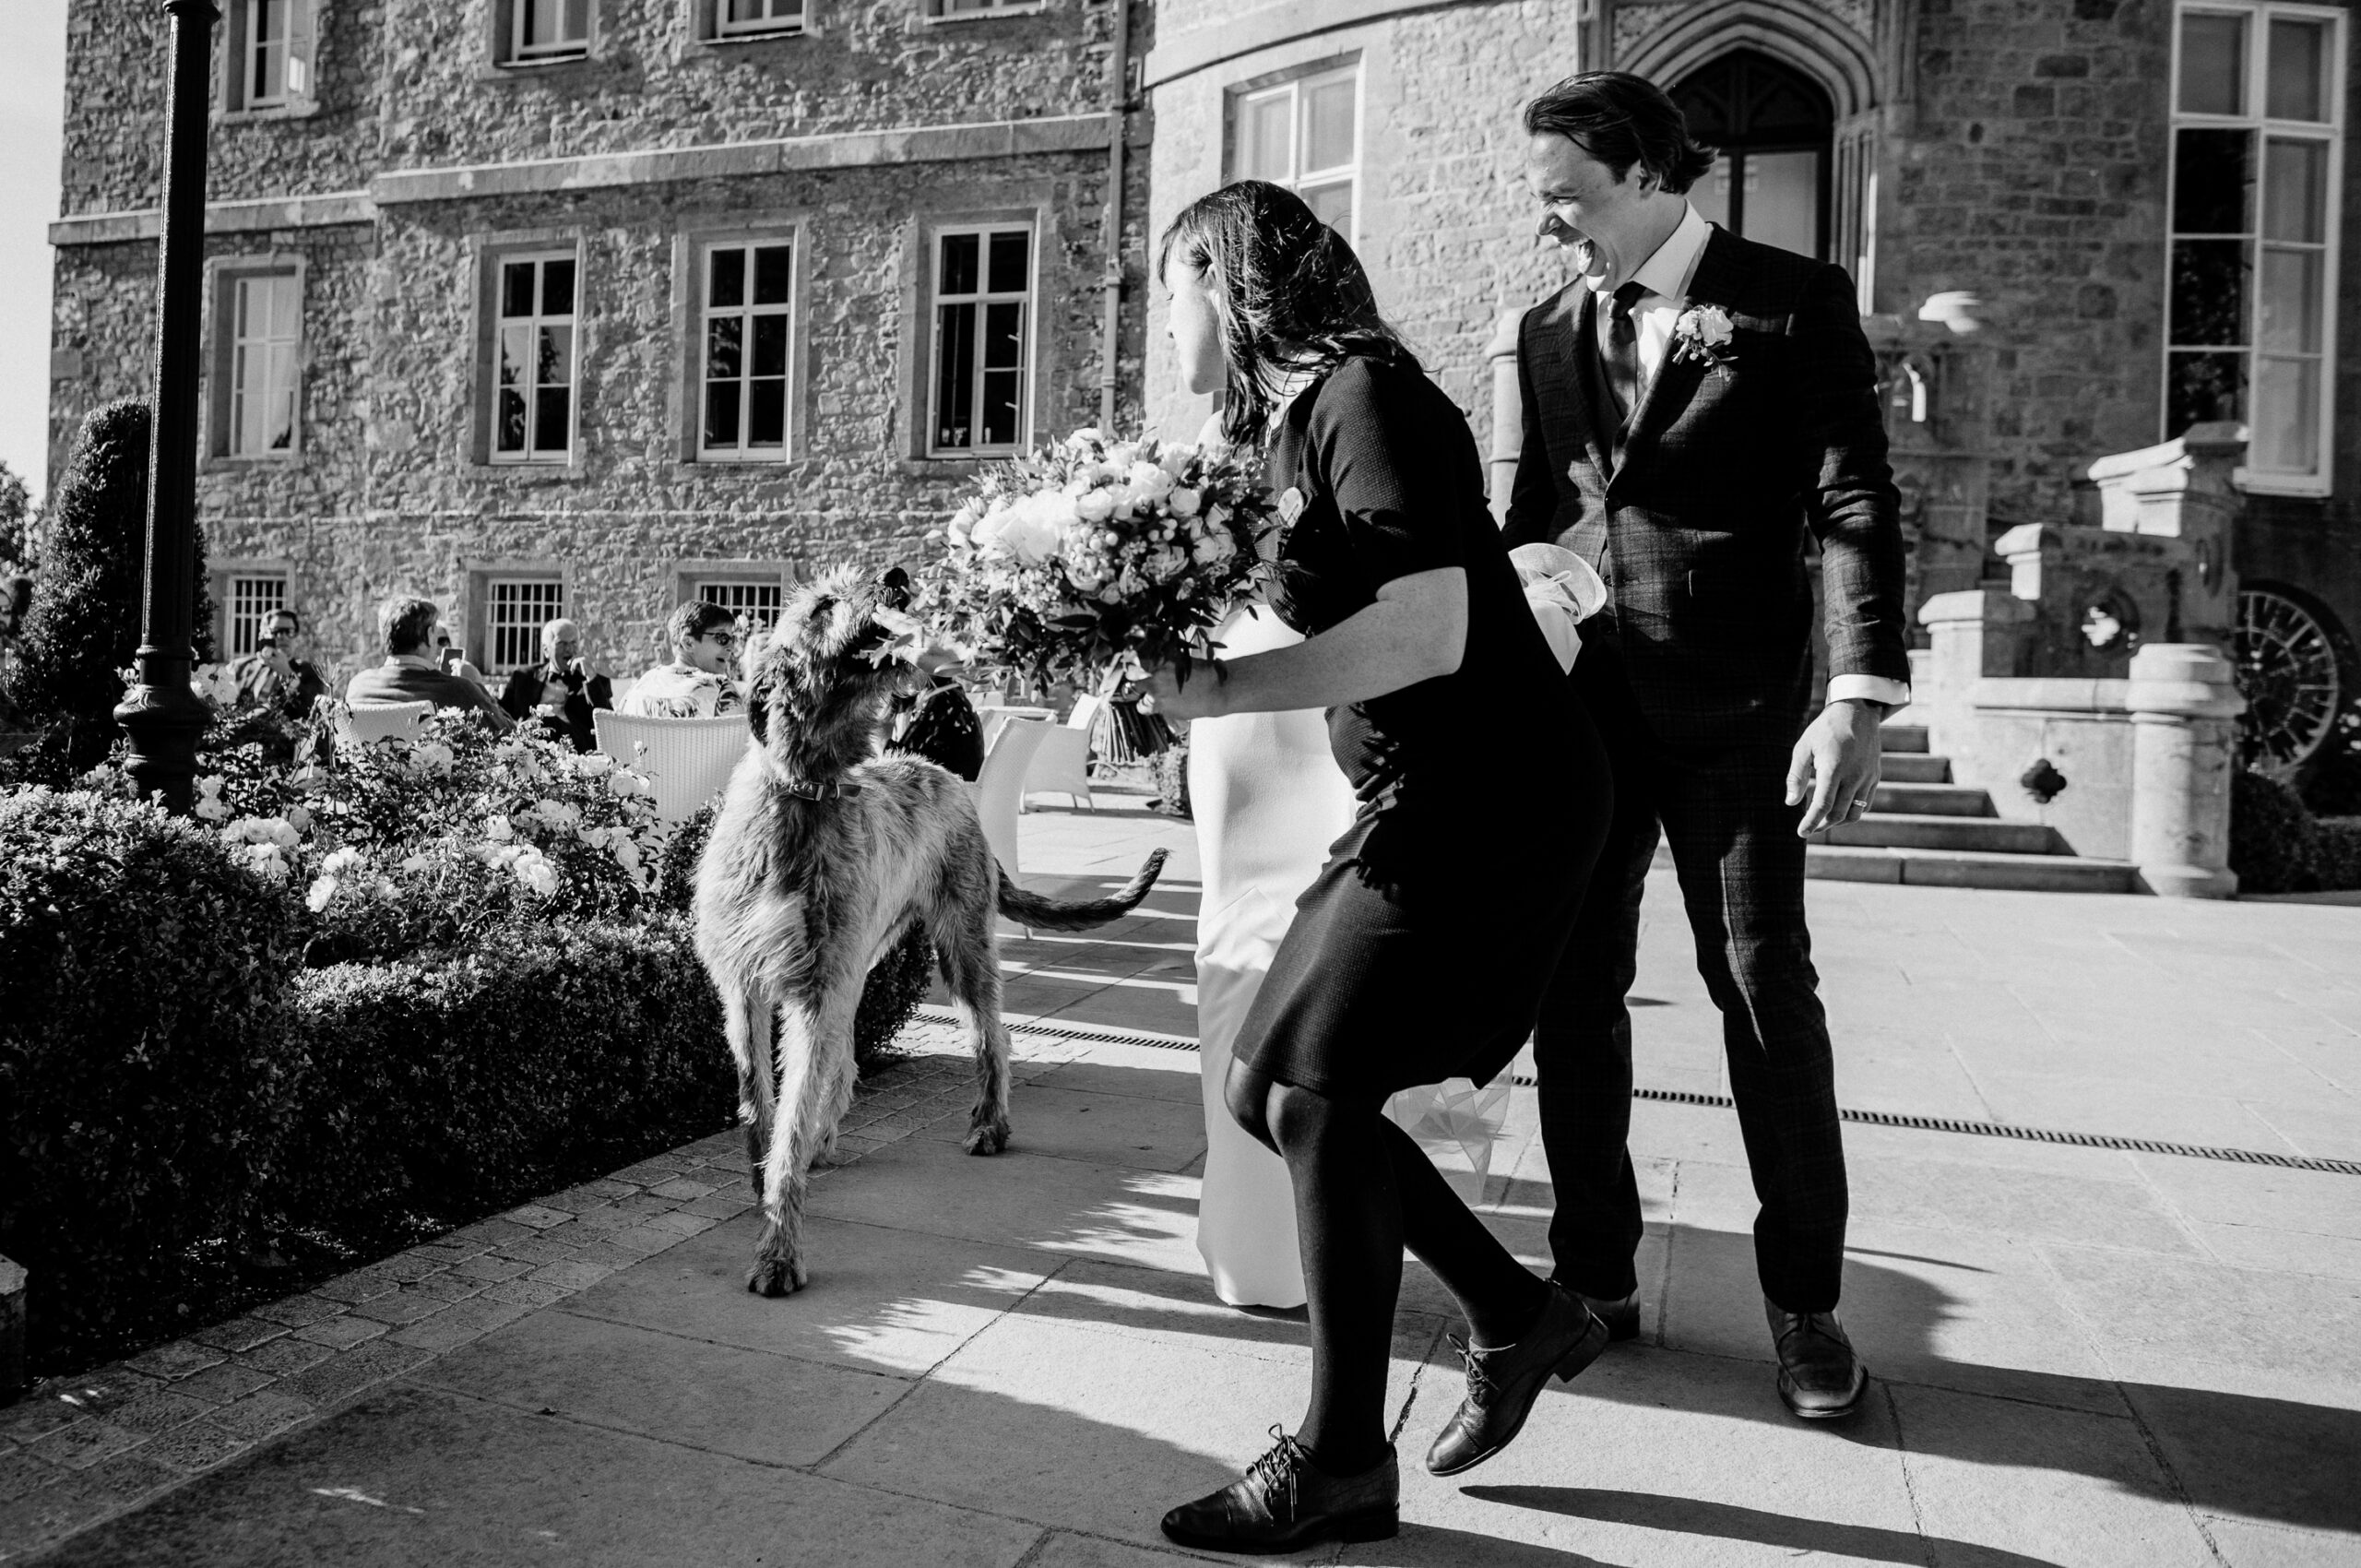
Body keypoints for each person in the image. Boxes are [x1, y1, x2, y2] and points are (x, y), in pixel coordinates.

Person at [1140, 181, 1613, 1553]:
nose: (1162, 316)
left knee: (1316, 1097)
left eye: (1169, 283)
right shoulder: (1295, 428)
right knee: (1265, 1089)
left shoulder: (1366, 395)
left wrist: (1221, 694)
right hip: (1424, 795)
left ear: (1221, 279)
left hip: (1495, 799)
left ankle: (1345, 1463)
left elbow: (1432, 628)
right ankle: (1521, 1318)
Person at [1502, 71, 1910, 1422]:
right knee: (1572, 995)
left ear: (1645, 175)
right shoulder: (1547, 329)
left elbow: (1851, 502)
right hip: (1584, 717)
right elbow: (1530, 522)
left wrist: (1854, 692)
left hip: (1740, 715)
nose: (1551, 224)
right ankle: (1595, 1274)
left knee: (1757, 990)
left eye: (1565, 197)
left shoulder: (1792, 301)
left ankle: (1803, 1306)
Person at [345, 595, 516, 731]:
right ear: (429, 635)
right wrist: (476, 684)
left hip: (368, 774)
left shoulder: (358, 687)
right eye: (435, 631)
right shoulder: (458, 691)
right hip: (429, 775)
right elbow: (508, 734)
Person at [500, 617, 612, 753]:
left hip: (575, 747)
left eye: (574, 643)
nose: (569, 649)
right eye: (562, 643)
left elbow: (609, 724)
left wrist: (590, 678)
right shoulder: (524, 677)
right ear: (546, 650)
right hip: (529, 743)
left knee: (545, 719)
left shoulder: (594, 681)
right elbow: (501, 713)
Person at [619, 600, 744, 719]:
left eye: (732, 639)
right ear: (688, 643)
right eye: (722, 638)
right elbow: (744, 739)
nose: (731, 647)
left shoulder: (638, 687)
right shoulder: (722, 691)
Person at [231, 606, 329, 720]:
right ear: (265, 635)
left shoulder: (309, 671)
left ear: (296, 636)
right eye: (276, 631)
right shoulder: (246, 667)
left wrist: (288, 673)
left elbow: (313, 711)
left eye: (290, 632)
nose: (283, 637)